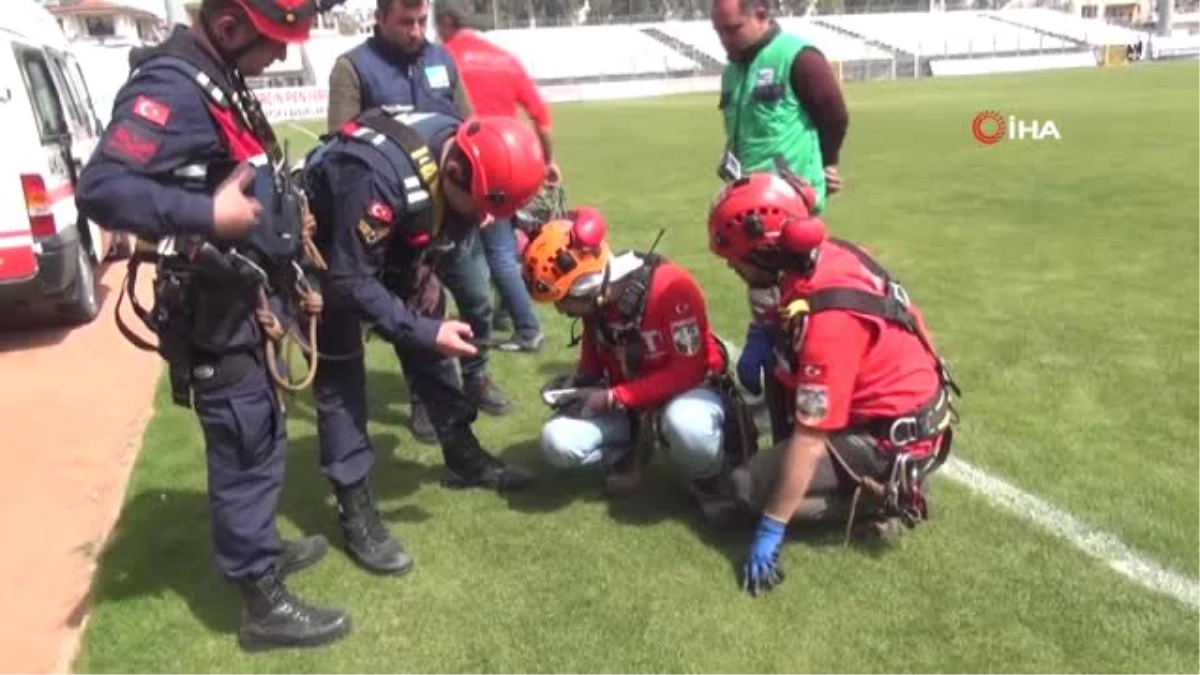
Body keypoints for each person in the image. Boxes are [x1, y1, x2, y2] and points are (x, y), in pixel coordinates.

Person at [76, 0, 350, 652]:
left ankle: (263, 549)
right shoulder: (171, 85)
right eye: (276, 42)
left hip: (244, 302)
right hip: (214, 312)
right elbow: (102, 188)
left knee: (263, 429)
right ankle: (262, 602)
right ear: (230, 26)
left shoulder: (217, 76)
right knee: (243, 445)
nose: (282, 55)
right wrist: (204, 212)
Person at [705, 172, 960, 597]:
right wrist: (765, 333)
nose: (732, 266)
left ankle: (882, 500)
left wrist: (770, 529)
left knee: (745, 489)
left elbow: (810, 438)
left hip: (887, 439)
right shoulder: (832, 254)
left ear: (768, 253)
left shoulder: (830, 323)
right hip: (910, 412)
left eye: (738, 258)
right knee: (783, 382)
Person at [299, 109, 543, 534]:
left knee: (432, 349)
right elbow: (349, 279)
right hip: (328, 258)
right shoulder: (375, 176)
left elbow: (431, 228)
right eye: (478, 208)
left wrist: (427, 330)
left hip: (400, 247)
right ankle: (354, 509)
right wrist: (425, 330)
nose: (481, 222)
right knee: (341, 381)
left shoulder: (462, 142)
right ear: (452, 172)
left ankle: (463, 456)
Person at [327, 0, 511, 443]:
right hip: (399, 220)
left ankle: (477, 374)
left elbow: (471, 129)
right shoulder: (352, 68)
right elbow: (340, 147)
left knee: (475, 298)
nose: (415, 31)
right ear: (380, 18)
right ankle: (422, 396)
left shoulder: (440, 59)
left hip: (453, 210)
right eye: (404, 22)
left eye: (420, 21)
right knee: (417, 311)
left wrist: (479, 192)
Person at [523, 208, 757, 496]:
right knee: (556, 441)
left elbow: (690, 370)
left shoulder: (672, 287)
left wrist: (614, 397)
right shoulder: (597, 306)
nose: (561, 310)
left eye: (563, 300)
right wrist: (574, 388)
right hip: (630, 405)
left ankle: (712, 478)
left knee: (686, 425)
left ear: (587, 288)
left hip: (691, 392)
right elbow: (592, 366)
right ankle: (633, 451)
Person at [710, 0, 851, 438]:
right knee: (763, 294)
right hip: (746, 204)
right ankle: (775, 395)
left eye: (732, 30)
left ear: (762, 15)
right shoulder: (732, 70)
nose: (725, 41)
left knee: (793, 303)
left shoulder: (798, 57)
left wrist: (826, 164)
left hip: (787, 209)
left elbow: (835, 115)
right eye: (718, 32)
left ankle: (800, 411)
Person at [436, 0, 561, 353]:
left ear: (445, 21)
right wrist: (547, 162)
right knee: (501, 250)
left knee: (477, 255)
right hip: (505, 168)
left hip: (458, 171)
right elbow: (542, 119)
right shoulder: (504, 59)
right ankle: (508, 315)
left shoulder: (440, 57)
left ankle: (525, 328)